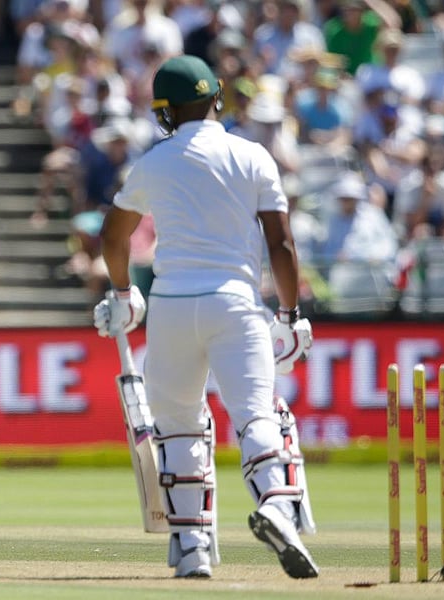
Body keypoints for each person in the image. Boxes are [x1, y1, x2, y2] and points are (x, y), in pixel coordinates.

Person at [92, 55, 317, 580]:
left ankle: (192, 550)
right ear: (217, 97)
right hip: (235, 304)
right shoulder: (252, 155)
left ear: (165, 112)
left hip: (170, 307)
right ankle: (277, 509)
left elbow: (112, 235)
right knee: (259, 416)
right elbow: (280, 243)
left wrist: (124, 291)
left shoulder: (153, 162)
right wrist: (289, 311)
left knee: (178, 429)